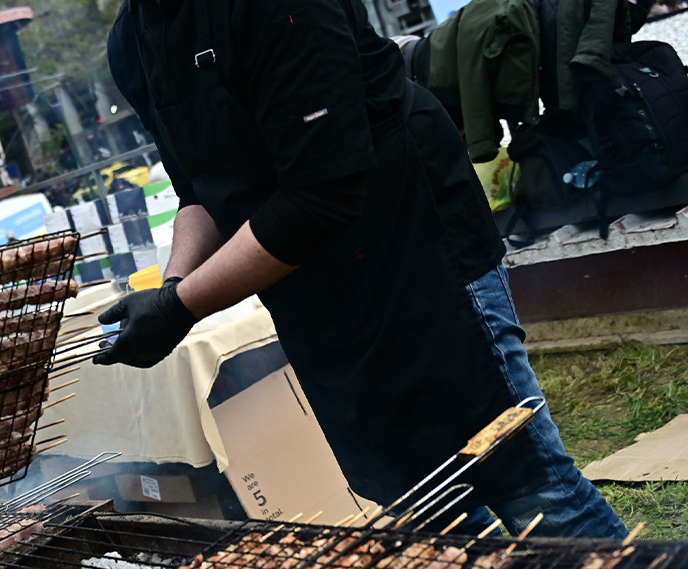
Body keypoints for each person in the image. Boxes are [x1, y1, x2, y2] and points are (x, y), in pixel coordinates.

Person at [97, 0, 627, 538]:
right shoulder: (132, 42)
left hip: (413, 246)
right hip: (309, 289)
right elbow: (199, 192)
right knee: (420, 502)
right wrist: (173, 288)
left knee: (529, 483)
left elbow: (321, 196)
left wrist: (181, 307)